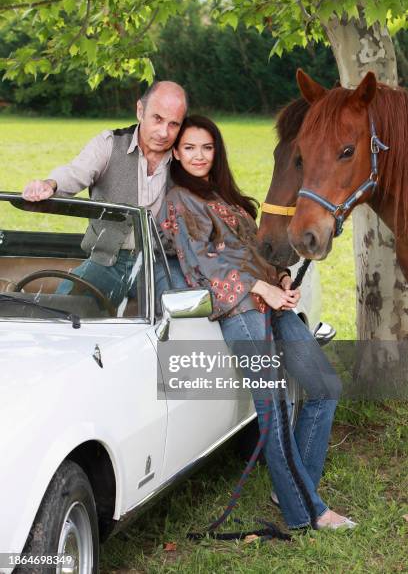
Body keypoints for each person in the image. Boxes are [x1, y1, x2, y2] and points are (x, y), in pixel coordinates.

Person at [158, 114, 356, 531]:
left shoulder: (223, 195)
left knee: (323, 387)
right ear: (176, 152)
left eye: (207, 147)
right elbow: (200, 265)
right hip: (241, 312)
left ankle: (291, 488)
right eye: (189, 147)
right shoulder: (178, 200)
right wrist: (259, 288)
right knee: (276, 410)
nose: (198, 156)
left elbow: (252, 250)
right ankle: (308, 512)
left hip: (273, 303)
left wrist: (279, 277)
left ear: (217, 152)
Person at [22, 81, 187, 305]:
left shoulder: (186, 157)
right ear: (140, 110)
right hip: (108, 260)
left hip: (161, 262)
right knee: (58, 306)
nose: (163, 132)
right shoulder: (109, 144)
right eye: (157, 118)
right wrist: (49, 184)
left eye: (174, 124)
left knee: (182, 313)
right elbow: (75, 172)